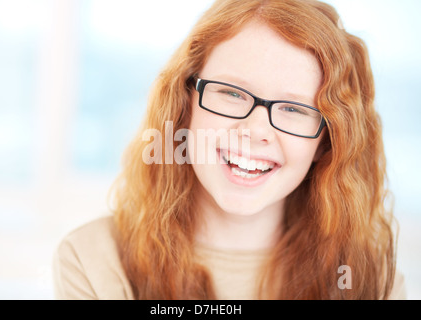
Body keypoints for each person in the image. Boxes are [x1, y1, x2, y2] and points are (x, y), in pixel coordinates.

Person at [52, 0, 406, 300]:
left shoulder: (369, 279)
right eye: (232, 94)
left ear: (325, 141)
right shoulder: (93, 259)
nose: (254, 131)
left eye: (294, 109)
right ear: (185, 103)